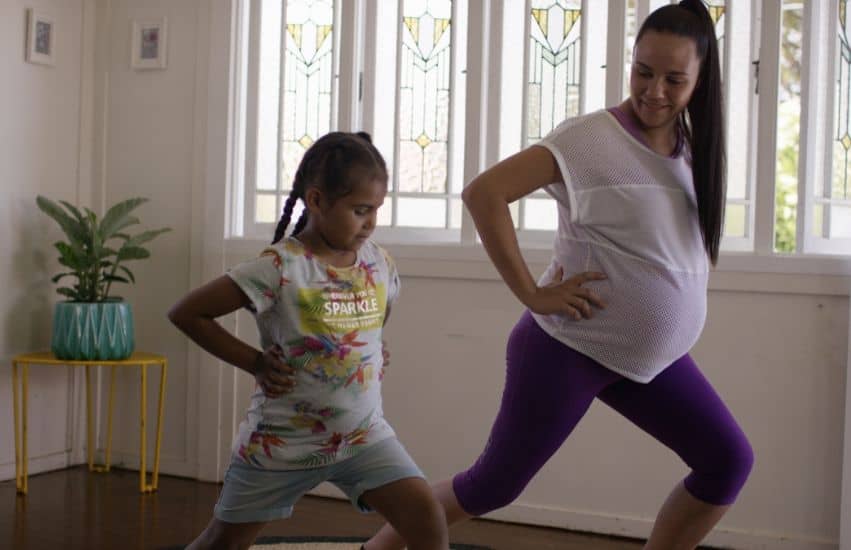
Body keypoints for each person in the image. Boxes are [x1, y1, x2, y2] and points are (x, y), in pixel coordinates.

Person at [364, 2, 753, 549]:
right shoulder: (591, 139)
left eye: (674, 79)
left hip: (652, 360)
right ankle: (377, 548)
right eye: (643, 71)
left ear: (701, 80)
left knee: (727, 461)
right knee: (493, 484)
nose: (654, 91)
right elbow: (484, 193)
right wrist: (531, 292)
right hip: (570, 348)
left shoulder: (694, 151)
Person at [169, 131, 448, 550]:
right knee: (221, 543)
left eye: (376, 210)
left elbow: (372, 321)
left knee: (425, 514)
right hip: (284, 441)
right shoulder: (281, 266)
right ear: (316, 201)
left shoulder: (377, 262)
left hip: (361, 435)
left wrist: (368, 350)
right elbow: (188, 312)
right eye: (359, 210)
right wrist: (256, 362)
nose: (370, 222)